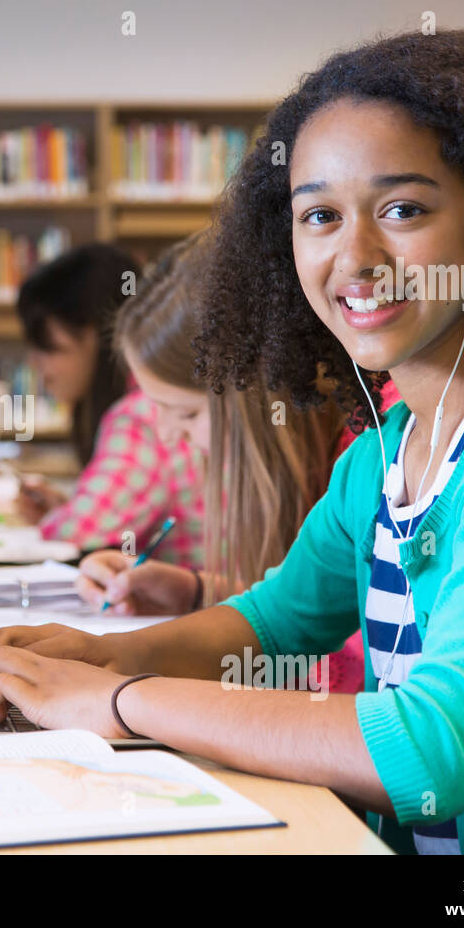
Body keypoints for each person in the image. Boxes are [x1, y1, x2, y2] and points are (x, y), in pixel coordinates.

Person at [0, 29, 464, 854]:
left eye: (403, 209)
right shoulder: (388, 447)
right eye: (319, 215)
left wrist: (117, 699)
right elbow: (273, 623)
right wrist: (96, 657)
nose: (354, 256)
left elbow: (432, 749)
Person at [70, 234, 369, 693]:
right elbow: (308, 616)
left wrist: (138, 697)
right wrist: (196, 592)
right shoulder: (320, 458)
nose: (167, 434)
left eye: (186, 413)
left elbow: (337, 675)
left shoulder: (367, 460)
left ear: (253, 398)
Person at [15, 243, 202, 566]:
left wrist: (57, 520)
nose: (35, 363)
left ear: (95, 337)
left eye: (48, 346)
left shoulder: (140, 415)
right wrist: (63, 509)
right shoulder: (165, 399)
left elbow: (75, 536)